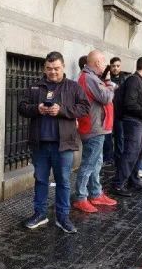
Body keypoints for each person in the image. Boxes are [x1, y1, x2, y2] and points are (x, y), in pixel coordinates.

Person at [18, 51, 89, 232]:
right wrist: (37, 109)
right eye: (49, 69)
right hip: (40, 143)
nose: (53, 72)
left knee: (63, 181)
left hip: (63, 144)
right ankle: (40, 213)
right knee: (40, 180)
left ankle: (62, 217)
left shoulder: (73, 87)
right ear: (45, 68)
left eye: (56, 68)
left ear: (63, 66)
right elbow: (22, 107)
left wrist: (62, 110)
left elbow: (85, 108)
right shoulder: (35, 87)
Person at [74, 51, 117, 213]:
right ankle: (80, 197)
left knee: (96, 162)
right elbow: (106, 98)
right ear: (97, 63)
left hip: (96, 127)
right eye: (104, 62)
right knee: (89, 163)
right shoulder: (90, 78)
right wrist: (110, 85)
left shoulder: (90, 78)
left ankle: (95, 193)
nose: (106, 65)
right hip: (93, 128)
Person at [110, 56, 142, 197]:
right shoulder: (134, 80)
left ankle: (133, 181)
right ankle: (117, 184)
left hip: (140, 122)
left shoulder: (140, 81)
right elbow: (130, 103)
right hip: (134, 122)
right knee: (130, 153)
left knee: (138, 153)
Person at [103, 57, 127, 166]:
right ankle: (108, 158)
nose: (115, 68)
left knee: (119, 137)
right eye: (113, 66)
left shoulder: (125, 80)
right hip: (108, 112)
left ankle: (119, 157)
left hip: (119, 113)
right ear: (110, 66)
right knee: (107, 137)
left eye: (117, 66)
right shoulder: (105, 78)